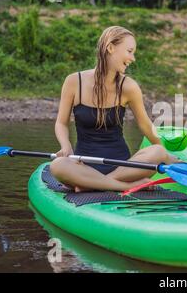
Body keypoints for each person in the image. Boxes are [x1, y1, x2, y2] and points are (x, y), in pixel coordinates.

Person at [50, 26, 176, 192]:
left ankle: (93, 185)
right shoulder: (74, 81)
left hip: (122, 167)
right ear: (110, 48)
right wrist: (66, 146)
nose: (133, 58)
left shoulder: (128, 86)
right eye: (129, 51)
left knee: (157, 151)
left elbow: (146, 125)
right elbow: (61, 123)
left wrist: (167, 156)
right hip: (84, 166)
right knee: (57, 165)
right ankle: (123, 186)